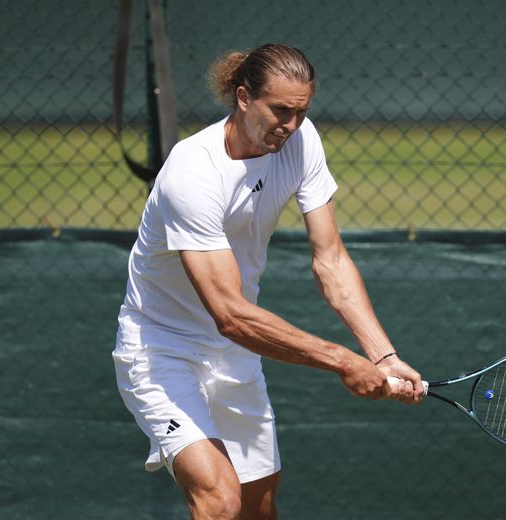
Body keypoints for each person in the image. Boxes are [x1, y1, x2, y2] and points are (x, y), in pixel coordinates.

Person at [112, 43, 424, 519]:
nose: (291, 125)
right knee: (219, 501)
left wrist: (382, 355)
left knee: (259, 510)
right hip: (162, 350)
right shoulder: (191, 172)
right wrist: (344, 361)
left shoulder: (301, 140)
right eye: (280, 110)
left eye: (301, 112)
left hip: (236, 357)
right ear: (242, 97)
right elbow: (231, 316)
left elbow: (331, 261)